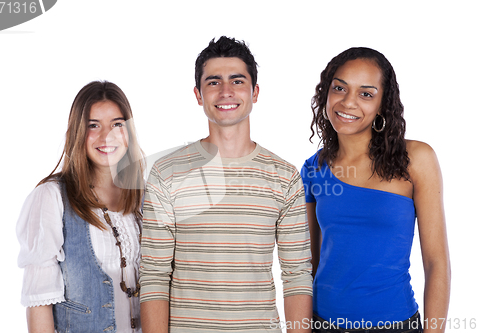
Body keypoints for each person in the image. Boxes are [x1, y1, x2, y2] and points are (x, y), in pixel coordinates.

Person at [139, 36, 313, 333]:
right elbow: (154, 275)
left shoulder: (284, 176)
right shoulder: (166, 173)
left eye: (237, 81)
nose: (226, 92)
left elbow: (297, 274)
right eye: (213, 82)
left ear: (254, 92)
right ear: (198, 94)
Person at [301, 47, 450, 332]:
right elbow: (309, 264)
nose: (348, 102)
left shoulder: (416, 159)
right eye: (339, 88)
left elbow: (435, 262)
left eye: (365, 94)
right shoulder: (312, 169)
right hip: (323, 324)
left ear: (383, 104)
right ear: (325, 93)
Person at [17, 81, 145, 333]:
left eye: (117, 124)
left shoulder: (144, 198)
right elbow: (39, 305)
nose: (106, 135)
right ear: (78, 132)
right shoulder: (52, 198)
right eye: (93, 125)